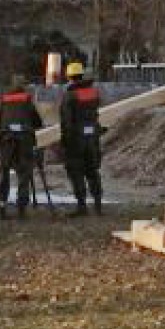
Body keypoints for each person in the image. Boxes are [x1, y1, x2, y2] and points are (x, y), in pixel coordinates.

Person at [57, 60, 104, 215]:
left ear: (69, 77)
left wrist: (65, 143)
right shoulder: (93, 93)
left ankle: (82, 206)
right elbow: (95, 115)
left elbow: (66, 122)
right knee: (92, 171)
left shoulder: (69, 96)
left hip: (76, 140)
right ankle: (98, 204)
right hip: (92, 139)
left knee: (76, 172)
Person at [0, 78, 42, 217]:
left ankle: (2, 205)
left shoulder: (3, 101)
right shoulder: (27, 101)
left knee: (4, 173)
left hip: (6, 140)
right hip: (25, 140)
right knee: (24, 173)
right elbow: (37, 122)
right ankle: (21, 207)